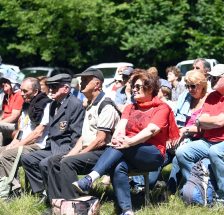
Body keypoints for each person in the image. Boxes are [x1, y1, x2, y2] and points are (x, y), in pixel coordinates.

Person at [72, 70, 179, 215]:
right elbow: (120, 127)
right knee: (119, 167)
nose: (134, 89)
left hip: (153, 154)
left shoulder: (161, 107)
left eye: (138, 86)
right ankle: (127, 210)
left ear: (150, 88)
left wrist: (129, 142)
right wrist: (119, 138)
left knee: (121, 146)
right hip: (129, 150)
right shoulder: (130, 107)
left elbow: (151, 130)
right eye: (133, 86)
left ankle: (91, 178)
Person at [175, 64, 224, 205]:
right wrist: (221, 122)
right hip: (209, 140)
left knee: (216, 151)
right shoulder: (211, 97)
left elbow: (218, 121)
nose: (212, 80)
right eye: (211, 77)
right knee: (182, 152)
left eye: (216, 77)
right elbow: (200, 121)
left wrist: (217, 121)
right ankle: (200, 186)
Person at [46, 68, 119, 201]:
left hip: (104, 153)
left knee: (68, 162)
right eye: (81, 80)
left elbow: (101, 140)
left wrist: (80, 153)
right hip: (90, 150)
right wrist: (71, 153)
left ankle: (74, 203)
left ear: (97, 84)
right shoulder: (90, 105)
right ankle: (57, 202)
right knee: (54, 161)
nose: (81, 83)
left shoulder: (105, 105)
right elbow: (83, 138)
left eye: (85, 80)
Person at [21, 74, 85, 202]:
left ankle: (56, 199)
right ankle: (43, 191)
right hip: (52, 146)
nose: (50, 90)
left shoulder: (75, 105)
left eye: (54, 87)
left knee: (45, 163)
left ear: (66, 89)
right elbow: (52, 132)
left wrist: (70, 153)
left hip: (67, 147)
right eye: (50, 87)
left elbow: (76, 135)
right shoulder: (53, 105)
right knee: (27, 158)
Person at [0, 77, 51, 192]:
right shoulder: (27, 106)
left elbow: (38, 133)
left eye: (25, 91)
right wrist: (12, 144)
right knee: (2, 151)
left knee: (6, 155)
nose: (21, 94)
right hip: (24, 143)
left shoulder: (46, 105)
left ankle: (15, 190)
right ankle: (4, 187)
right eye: (21, 90)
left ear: (36, 91)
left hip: (38, 145)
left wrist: (18, 146)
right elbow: (21, 130)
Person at [167, 69, 209, 193]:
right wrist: (173, 135)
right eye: (187, 86)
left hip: (199, 137)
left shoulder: (209, 100)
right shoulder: (184, 97)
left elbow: (206, 128)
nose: (190, 89)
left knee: (177, 158)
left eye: (193, 86)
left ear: (202, 85)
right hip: (182, 136)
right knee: (161, 152)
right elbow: (175, 119)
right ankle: (145, 186)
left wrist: (184, 131)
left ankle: (176, 190)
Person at [0, 70, 24, 146]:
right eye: (2, 86)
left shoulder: (18, 95)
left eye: (6, 86)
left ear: (12, 84)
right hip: (6, 123)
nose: (4, 89)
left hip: (15, 125)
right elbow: (3, 114)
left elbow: (14, 116)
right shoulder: (6, 96)